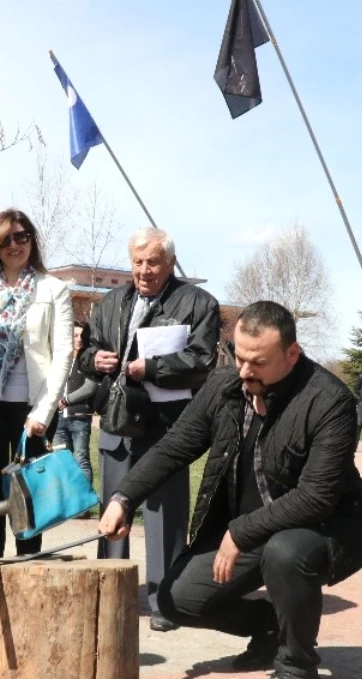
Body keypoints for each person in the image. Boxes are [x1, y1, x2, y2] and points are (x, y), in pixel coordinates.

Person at [99, 301, 362, 679]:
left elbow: (317, 497)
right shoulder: (225, 386)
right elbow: (175, 447)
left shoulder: (329, 400)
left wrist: (240, 532)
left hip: (328, 528)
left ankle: (298, 667)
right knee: (177, 600)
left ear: (292, 354)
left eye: (258, 362)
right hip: (250, 531)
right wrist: (124, 498)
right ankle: (268, 628)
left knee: (286, 551)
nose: (244, 372)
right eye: (238, 356)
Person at [79, 227, 219, 631]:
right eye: (137, 262)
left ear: (171, 262)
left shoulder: (197, 303)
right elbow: (86, 350)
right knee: (113, 511)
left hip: (167, 427)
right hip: (118, 422)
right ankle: (111, 595)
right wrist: (95, 360)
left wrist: (153, 368)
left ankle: (166, 603)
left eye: (153, 262)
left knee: (165, 517)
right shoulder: (109, 302)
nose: (144, 270)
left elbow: (202, 360)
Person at [0, 209, 74, 611]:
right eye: (6, 238)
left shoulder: (53, 289)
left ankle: (26, 575)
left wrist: (43, 409)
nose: (15, 245)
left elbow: (62, 355)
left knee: (28, 493)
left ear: (32, 241)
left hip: (30, 408)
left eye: (22, 236)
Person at [55, 322, 97, 498]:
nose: (79, 339)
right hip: (58, 419)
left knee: (81, 460)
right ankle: (68, 502)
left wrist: (67, 400)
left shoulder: (88, 360)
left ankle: (84, 502)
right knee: (62, 462)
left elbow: (90, 387)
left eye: (82, 336)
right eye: (75, 335)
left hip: (79, 417)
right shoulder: (61, 359)